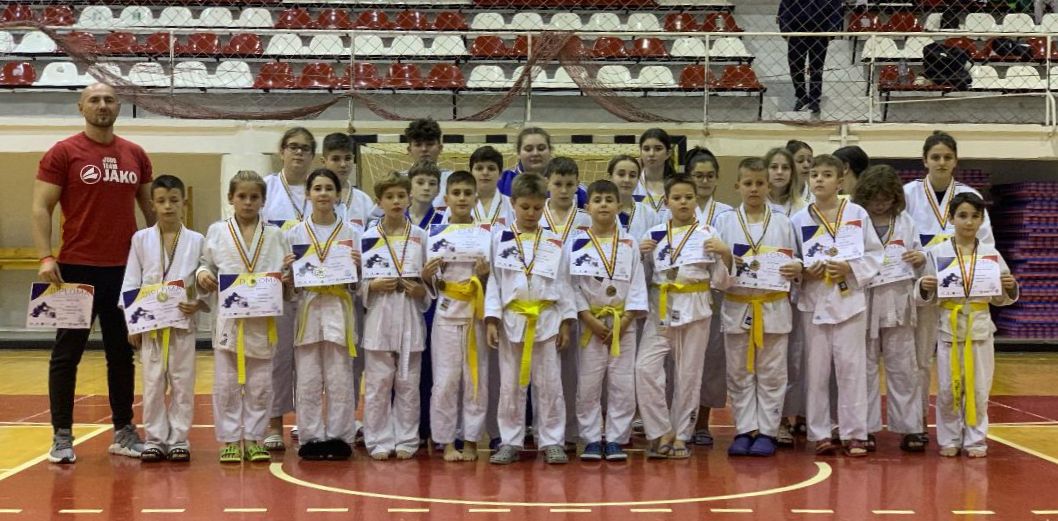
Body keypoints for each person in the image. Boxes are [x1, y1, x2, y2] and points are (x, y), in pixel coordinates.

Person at [33, 82, 155, 464]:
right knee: (66, 355)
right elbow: (41, 207)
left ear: (118, 106)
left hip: (125, 272)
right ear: (81, 107)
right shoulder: (63, 152)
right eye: (95, 100)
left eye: (109, 100)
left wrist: (159, 263)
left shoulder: (136, 154)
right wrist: (46, 256)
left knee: (122, 354)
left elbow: (151, 213)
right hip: (75, 270)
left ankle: (124, 430)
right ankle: (61, 436)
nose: (103, 105)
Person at [903, 131, 994, 447]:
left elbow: (986, 246)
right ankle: (915, 425)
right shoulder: (909, 194)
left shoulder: (970, 196)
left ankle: (966, 431)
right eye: (935, 157)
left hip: (960, 290)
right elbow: (900, 238)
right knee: (919, 360)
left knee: (963, 367)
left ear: (956, 161)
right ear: (924, 160)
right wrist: (918, 256)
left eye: (947, 157)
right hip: (924, 283)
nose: (941, 162)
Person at [790, 154, 883, 457]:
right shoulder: (798, 219)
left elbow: (875, 254)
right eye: (814, 174)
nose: (819, 179)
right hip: (814, 300)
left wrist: (850, 268)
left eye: (827, 174)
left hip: (849, 299)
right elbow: (791, 260)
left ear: (840, 181)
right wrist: (804, 271)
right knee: (816, 372)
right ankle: (820, 433)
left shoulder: (856, 213)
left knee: (852, 369)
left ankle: (854, 433)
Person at [197, 170, 292, 463]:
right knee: (226, 385)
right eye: (242, 196)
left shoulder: (276, 235)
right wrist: (203, 276)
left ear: (263, 201)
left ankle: (253, 437)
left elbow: (286, 275)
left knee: (261, 385)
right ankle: (229, 439)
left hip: (263, 320)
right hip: (230, 319)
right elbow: (206, 264)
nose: (248, 202)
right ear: (231, 198)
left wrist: (288, 279)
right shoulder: (217, 231)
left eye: (254, 197)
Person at [637, 174, 733, 460]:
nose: (683, 202)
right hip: (660, 308)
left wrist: (726, 254)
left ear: (695, 201)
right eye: (677, 198)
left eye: (688, 198)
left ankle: (681, 434)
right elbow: (641, 279)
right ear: (666, 202)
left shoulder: (708, 234)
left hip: (696, 309)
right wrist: (639, 256)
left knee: (688, 375)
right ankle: (660, 430)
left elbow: (722, 282)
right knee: (644, 369)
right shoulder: (654, 234)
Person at [916, 192, 1018, 458]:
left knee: (979, 388)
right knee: (948, 389)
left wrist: (1009, 286)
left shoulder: (990, 254)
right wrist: (924, 286)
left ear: (982, 220)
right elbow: (924, 297)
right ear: (951, 219)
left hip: (980, 328)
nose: (969, 222)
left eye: (975, 216)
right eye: (962, 216)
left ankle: (975, 440)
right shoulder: (937, 253)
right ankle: (949, 439)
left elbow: (1000, 298)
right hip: (949, 328)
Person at [485, 173, 577, 465]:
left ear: (544, 205)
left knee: (550, 385)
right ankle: (510, 440)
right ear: (513, 203)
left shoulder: (554, 240)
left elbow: (564, 282)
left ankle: (551, 440)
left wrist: (566, 322)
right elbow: (494, 281)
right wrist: (491, 319)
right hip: (512, 320)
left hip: (546, 319)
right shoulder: (500, 238)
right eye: (524, 207)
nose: (530, 213)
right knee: (510, 385)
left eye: (537, 208)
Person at [715, 158, 801, 457]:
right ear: (737, 185)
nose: (754, 189)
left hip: (772, 306)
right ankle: (745, 429)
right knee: (738, 373)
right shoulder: (724, 222)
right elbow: (715, 272)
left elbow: (796, 259)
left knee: (772, 373)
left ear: (768, 186)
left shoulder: (783, 222)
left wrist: (796, 267)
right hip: (737, 306)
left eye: (759, 183)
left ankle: (767, 431)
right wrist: (727, 261)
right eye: (748, 183)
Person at [120, 175, 205, 463]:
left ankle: (179, 438)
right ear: (152, 204)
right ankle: (155, 439)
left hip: (182, 322)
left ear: (184, 203)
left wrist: (198, 302)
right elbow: (132, 281)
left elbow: (203, 279)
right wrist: (132, 323)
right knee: (153, 383)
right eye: (161, 201)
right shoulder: (141, 239)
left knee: (183, 382)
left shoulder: (197, 240)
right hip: (150, 324)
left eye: (174, 200)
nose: (168, 206)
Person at [286, 169, 361, 461]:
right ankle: (311, 436)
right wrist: (289, 274)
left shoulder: (352, 234)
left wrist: (358, 269)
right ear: (307, 194)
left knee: (340, 378)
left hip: (339, 309)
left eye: (329, 188)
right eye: (317, 188)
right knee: (307, 379)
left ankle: (341, 437)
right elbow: (289, 285)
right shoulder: (294, 234)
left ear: (338, 194)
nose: (323, 194)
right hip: (308, 309)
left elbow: (359, 284)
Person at [852, 165, 928, 453]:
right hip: (865, 297)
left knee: (903, 366)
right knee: (865, 366)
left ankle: (910, 427)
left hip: (898, 298)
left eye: (886, 199)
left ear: (895, 198)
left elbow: (919, 252)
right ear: (864, 197)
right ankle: (865, 428)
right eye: (875, 199)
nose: (880, 204)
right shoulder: (855, 221)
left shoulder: (905, 221)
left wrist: (919, 257)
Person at [571, 180, 648, 462]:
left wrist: (626, 319)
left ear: (619, 205)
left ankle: (616, 437)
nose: (603, 204)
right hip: (590, 324)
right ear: (587, 206)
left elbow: (638, 282)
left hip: (622, 323)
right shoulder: (577, 242)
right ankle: (592, 438)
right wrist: (587, 317)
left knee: (622, 383)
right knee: (588, 383)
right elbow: (572, 285)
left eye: (609, 200)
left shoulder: (629, 243)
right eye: (598, 200)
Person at [421, 171, 491, 462]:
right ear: (446, 198)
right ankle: (447, 441)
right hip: (447, 312)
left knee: (476, 379)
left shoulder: (487, 235)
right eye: (457, 193)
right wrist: (427, 276)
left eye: (467, 193)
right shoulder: (434, 234)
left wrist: (485, 276)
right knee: (446, 379)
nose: (462, 198)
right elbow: (431, 284)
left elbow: (494, 282)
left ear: (476, 198)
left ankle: (471, 440)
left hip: (476, 313)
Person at [360, 173, 430, 460]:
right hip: (379, 315)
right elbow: (357, 282)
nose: (396, 201)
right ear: (379, 202)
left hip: (409, 313)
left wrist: (422, 290)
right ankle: (378, 440)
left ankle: (407, 439)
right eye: (389, 197)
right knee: (378, 385)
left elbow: (430, 279)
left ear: (409, 199)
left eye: (401, 196)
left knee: (408, 384)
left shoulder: (421, 236)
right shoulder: (367, 237)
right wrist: (371, 286)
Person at [262, 126, 317, 451]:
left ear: (313, 155)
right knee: (278, 358)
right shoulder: (267, 189)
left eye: (305, 148)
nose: (298, 152)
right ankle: (273, 423)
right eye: (293, 146)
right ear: (281, 151)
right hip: (277, 289)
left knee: (310, 360)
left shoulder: (320, 189)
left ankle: (308, 421)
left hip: (313, 288)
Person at [679, 147, 733, 447]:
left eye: (710, 176)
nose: (704, 181)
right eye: (698, 175)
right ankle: (677, 421)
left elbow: (732, 255)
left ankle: (702, 423)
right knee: (678, 362)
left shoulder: (726, 214)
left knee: (712, 360)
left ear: (717, 178)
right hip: (679, 295)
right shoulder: (674, 207)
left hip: (715, 295)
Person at [778, 0, 843, 113]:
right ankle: (801, 96)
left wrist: (831, 31)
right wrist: (785, 30)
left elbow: (836, 11)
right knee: (795, 65)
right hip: (796, 32)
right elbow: (784, 9)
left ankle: (814, 99)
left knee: (816, 68)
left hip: (821, 32)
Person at [499, 127, 587, 207]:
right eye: (528, 149)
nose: (535, 153)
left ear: (550, 151)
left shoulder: (577, 190)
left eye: (541, 148)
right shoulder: (502, 182)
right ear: (518, 153)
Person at [320, 133, 374, 230]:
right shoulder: (315, 199)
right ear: (324, 162)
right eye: (336, 159)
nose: (343, 164)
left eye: (348, 158)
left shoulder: (364, 200)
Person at [608, 154, 659, 240]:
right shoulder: (599, 211)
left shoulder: (649, 214)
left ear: (638, 179)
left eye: (632, 176)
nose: (627, 180)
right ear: (610, 177)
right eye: (621, 174)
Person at [404, 118, 451, 209]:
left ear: (440, 148)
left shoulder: (453, 179)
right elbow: (377, 215)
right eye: (418, 145)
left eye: (430, 144)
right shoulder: (398, 181)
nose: (424, 149)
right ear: (409, 150)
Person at [636, 128, 678, 213]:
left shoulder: (678, 185)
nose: (651, 154)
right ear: (640, 152)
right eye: (646, 149)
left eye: (658, 149)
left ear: (668, 153)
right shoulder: (633, 183)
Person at [765, 147, 806, 217]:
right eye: (774, 167)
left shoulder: (803, 208)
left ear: (792, 173)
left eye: (785, 167)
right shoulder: (755, 204)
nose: (779, 172)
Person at [407, 160, 444, 230]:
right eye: (420, 183)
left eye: (432, 184)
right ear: (409, 186)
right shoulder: (396, 217)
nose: (426, 188)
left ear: (438, 189)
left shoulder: (444, 221)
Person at [787, 140, 815, 204]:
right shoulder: (778, 193)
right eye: (800, 161)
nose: (806, 165)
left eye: (809, 161)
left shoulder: (816, 193)